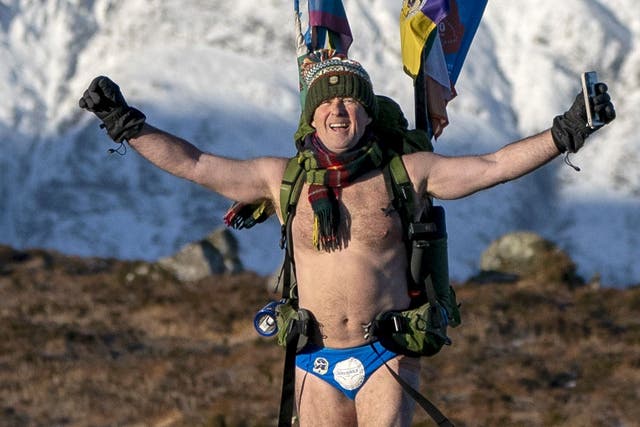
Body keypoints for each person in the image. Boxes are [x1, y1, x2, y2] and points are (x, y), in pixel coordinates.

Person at [79, 50, 615, 426]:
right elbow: (195, 163)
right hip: (313, 354)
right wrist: (125, 123)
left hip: (385, 352)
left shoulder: (409, 172)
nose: (338, 110)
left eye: (350, 102)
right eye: (328, 102)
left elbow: (493, 164)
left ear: (364, 112)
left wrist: (567, 131)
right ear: (312, 113)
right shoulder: (280, 178)